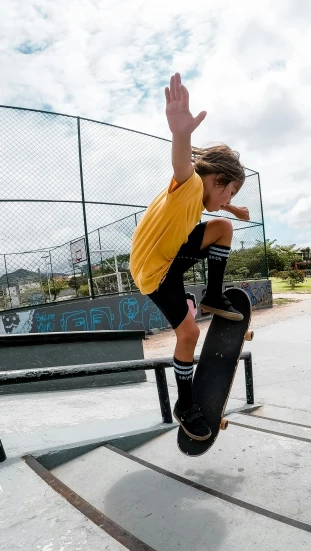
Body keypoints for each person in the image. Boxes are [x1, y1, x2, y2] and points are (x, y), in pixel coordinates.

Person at [130, 72, 251, 442]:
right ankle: (185, 405)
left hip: (170, 255)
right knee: (189, 331)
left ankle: (213, 296)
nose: (226, 199)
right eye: (228, 192)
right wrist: (181, 133)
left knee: (221, 228)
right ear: (216, 181)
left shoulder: (201, 195)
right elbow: (184, 167)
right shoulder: (190, 185)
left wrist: (233, 210)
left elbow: (213, 205)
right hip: (155, 272)